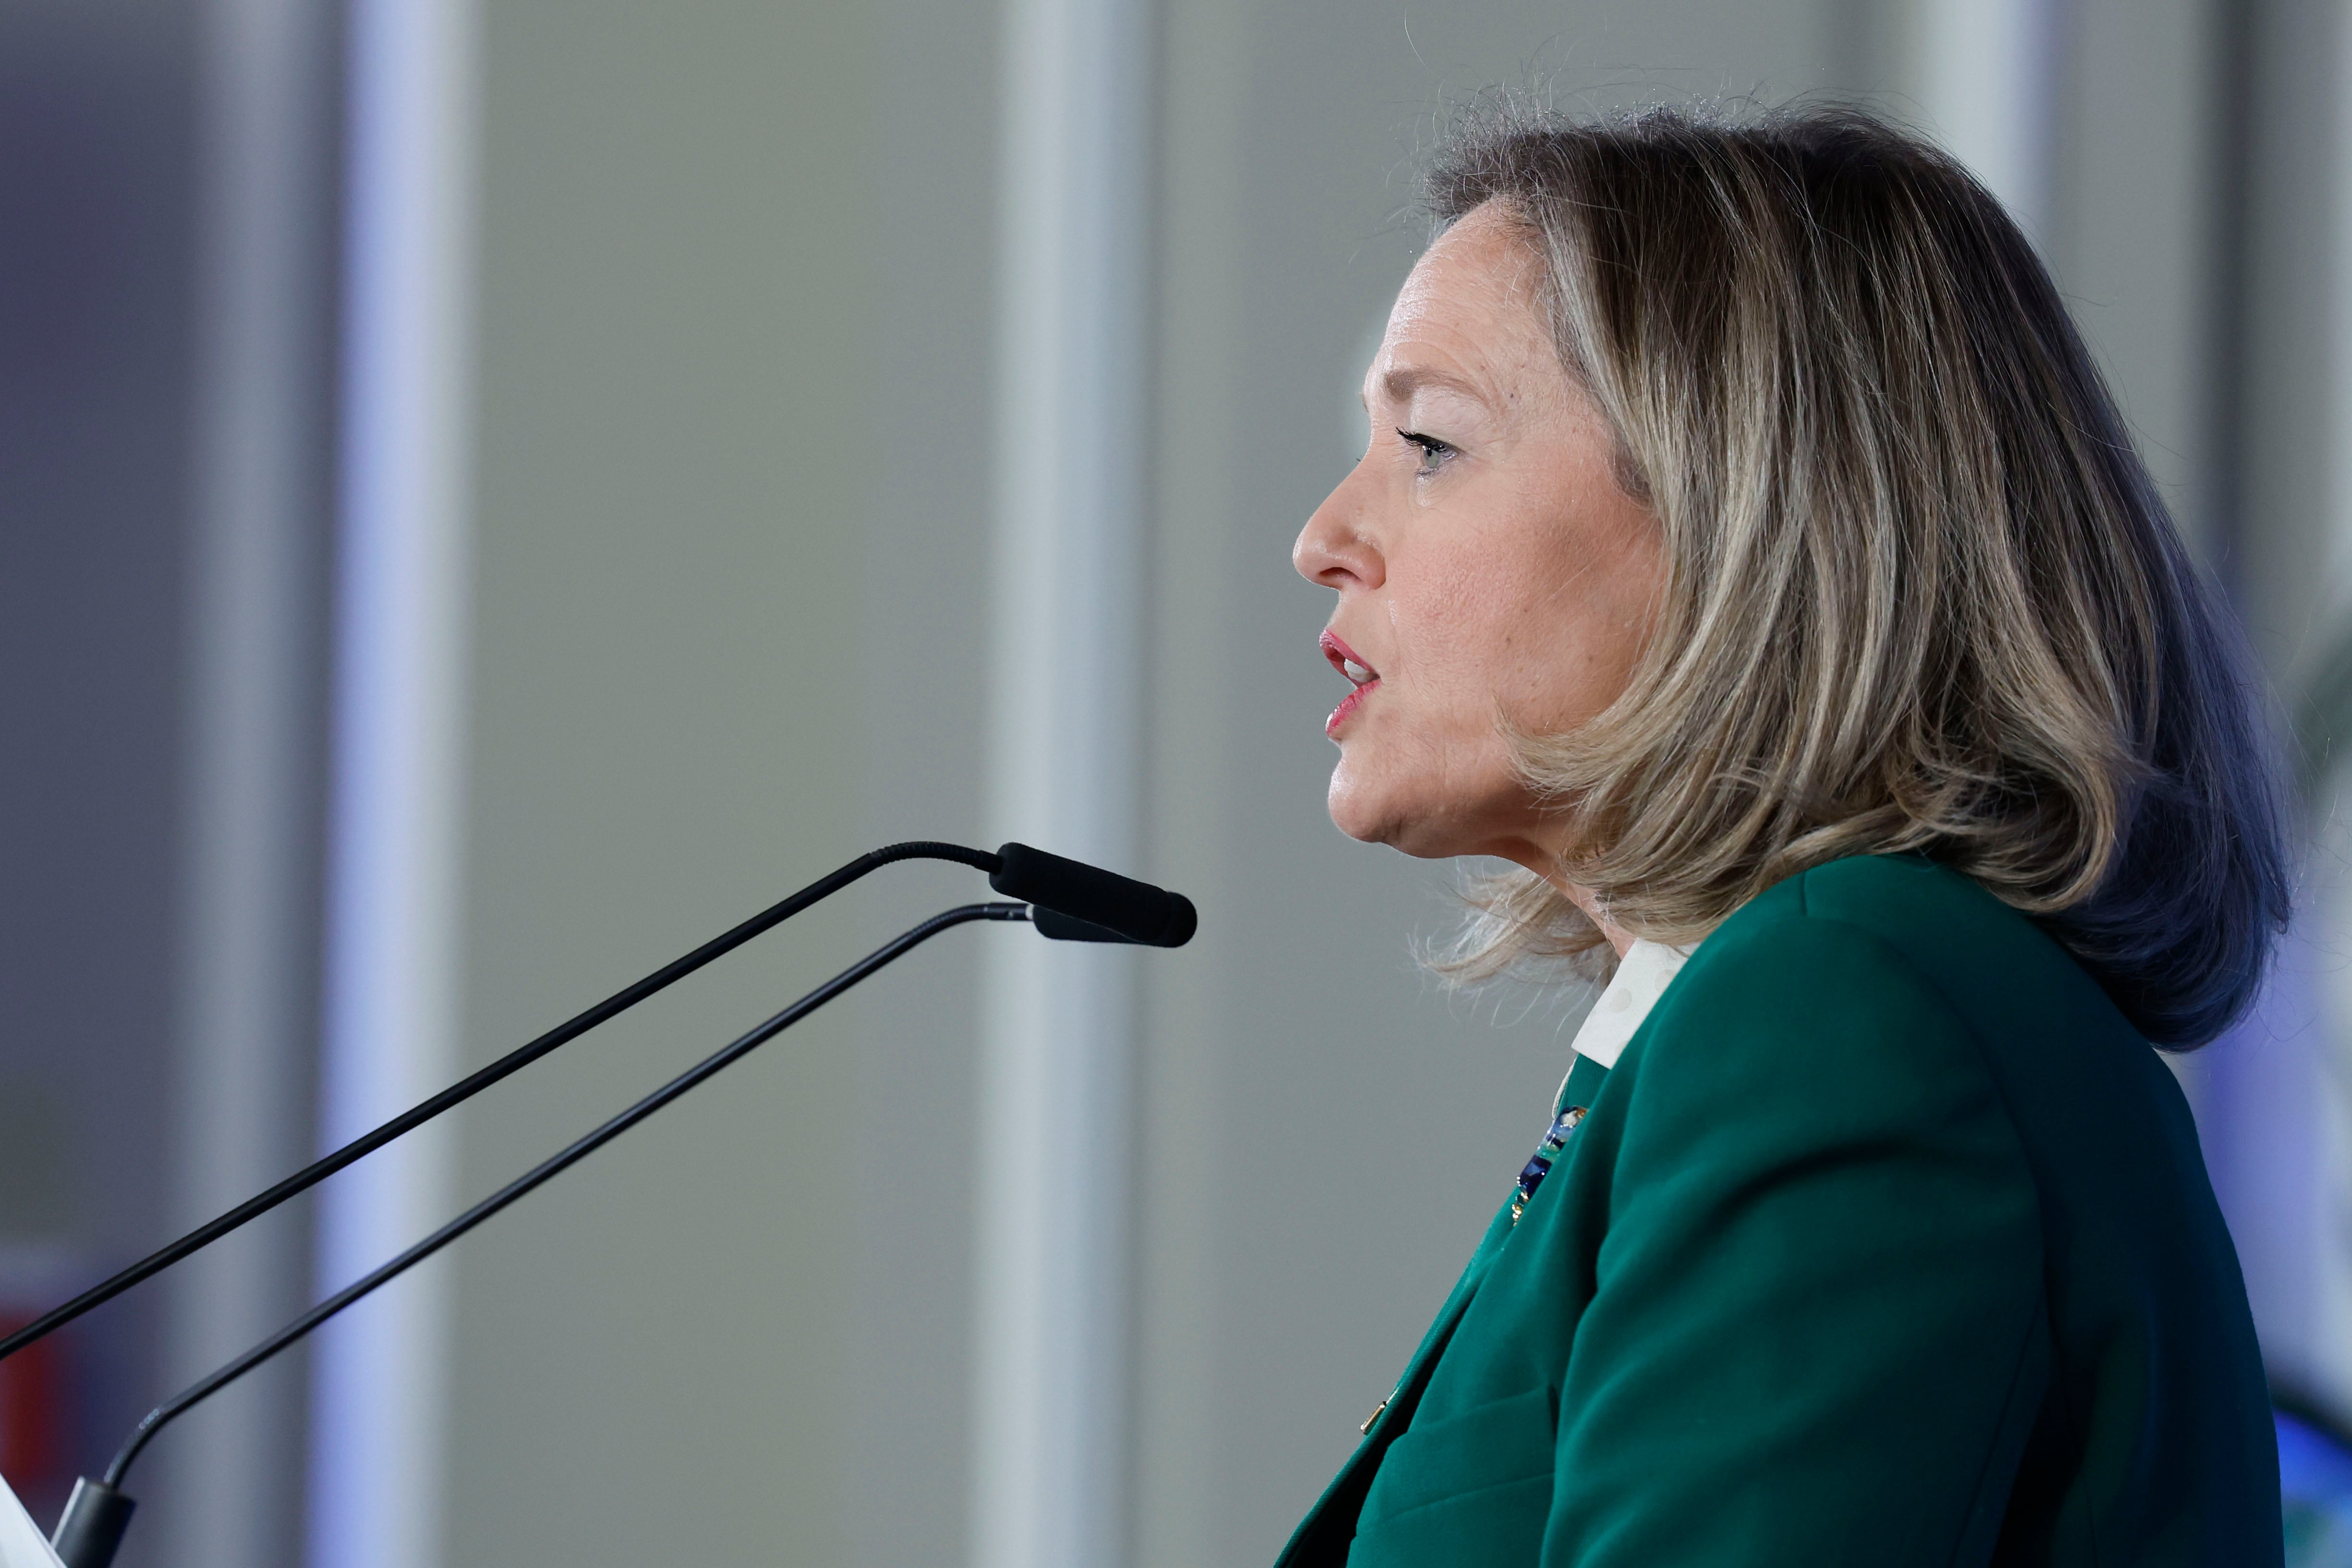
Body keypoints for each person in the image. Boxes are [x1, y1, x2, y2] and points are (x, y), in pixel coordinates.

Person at [1281, 103, 2290, 1568]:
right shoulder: (1789, 1014)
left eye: (1431, 443)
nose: (1325, 533)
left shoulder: (1849, 1012)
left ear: (1739, 508)